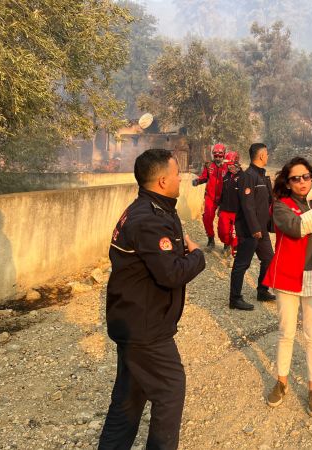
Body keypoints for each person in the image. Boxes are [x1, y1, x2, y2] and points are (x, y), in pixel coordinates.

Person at [99, 149, 206, 450]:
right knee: (170, 390)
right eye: (176, 174)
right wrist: (197, 256)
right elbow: (170, 274)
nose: (181, 179)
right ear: (161, 181)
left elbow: (161, 261)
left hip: (135, 321)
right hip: (145, 329)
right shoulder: (148, 219)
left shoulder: (152, 209)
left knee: (128, 401)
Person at [262, 157, 312, 417]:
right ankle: (282, 381)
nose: (302, 182)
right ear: (287, 181)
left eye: (306, 176)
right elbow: (297, 228)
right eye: (295, 178)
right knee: (286, 333)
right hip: (287, 278)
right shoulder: (280, 205)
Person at [228, 143, 275, 310]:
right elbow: (248, 205)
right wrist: (255, 229)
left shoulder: (261, 176)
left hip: (261, 229)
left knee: (269, 258)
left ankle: (262, 291)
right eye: (267, 154)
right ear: (261, 156)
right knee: (242, 263)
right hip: (250, 229)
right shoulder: (249, 176)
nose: (268, 157)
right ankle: (234, 299)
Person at [193, 143, 227, 249]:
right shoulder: (208, 165)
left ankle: (227, 243)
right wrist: (198, 181)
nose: (217, 158)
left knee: (225, 222)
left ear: (224, 155)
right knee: (207, 218)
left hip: (225, 198)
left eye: (220, 156)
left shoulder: (228, 166)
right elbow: (204, 177)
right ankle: (211, 239)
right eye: (215, 155)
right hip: (211, 197)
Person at [217, 151, 242, 257]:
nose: (228, 167)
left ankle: (234, 254)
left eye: (230, 165)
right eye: (227, 165)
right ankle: (227, 244)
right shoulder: (226, 176)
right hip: (224, 209)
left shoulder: (243, 177)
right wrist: (219, 207)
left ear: (235, 163)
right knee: (222, 231)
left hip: (236, 211)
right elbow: (223, 192)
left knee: (234, 234)